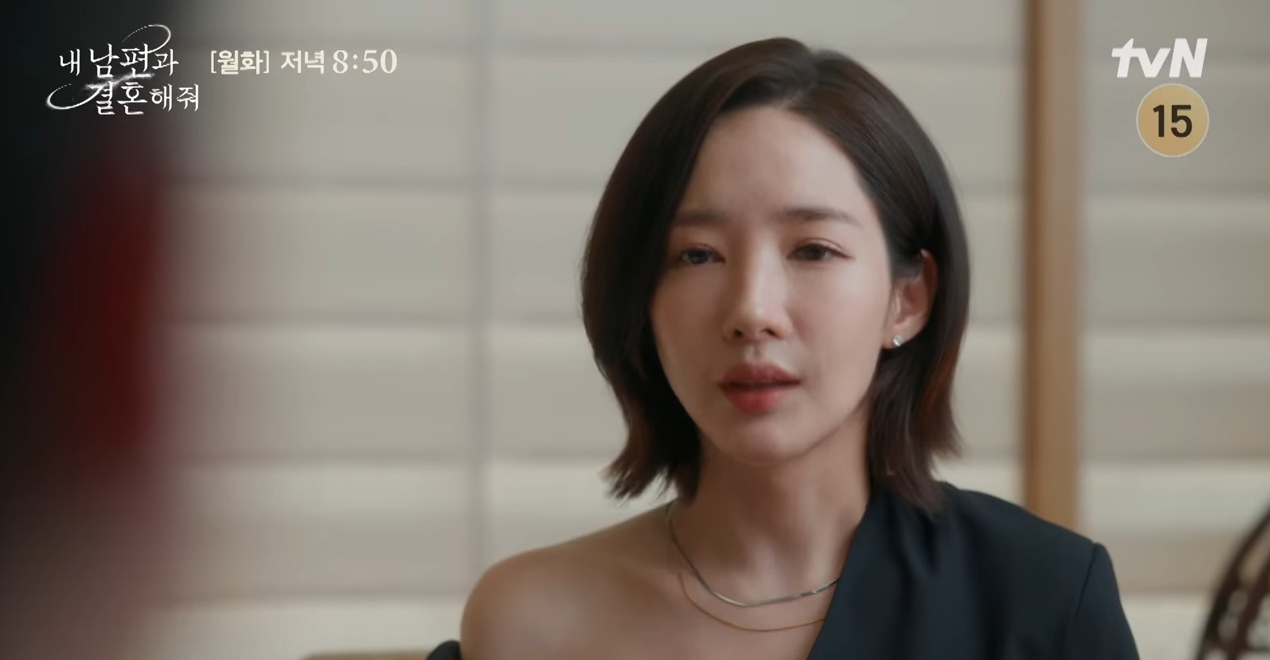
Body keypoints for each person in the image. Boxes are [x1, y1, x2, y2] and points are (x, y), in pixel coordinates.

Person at [448, 37, 1139, 660]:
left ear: (907, 299)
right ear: (642, 299)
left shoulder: (1043, 599)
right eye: (697, 254)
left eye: (813, 249)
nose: (752, 312)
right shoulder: (529, 625)